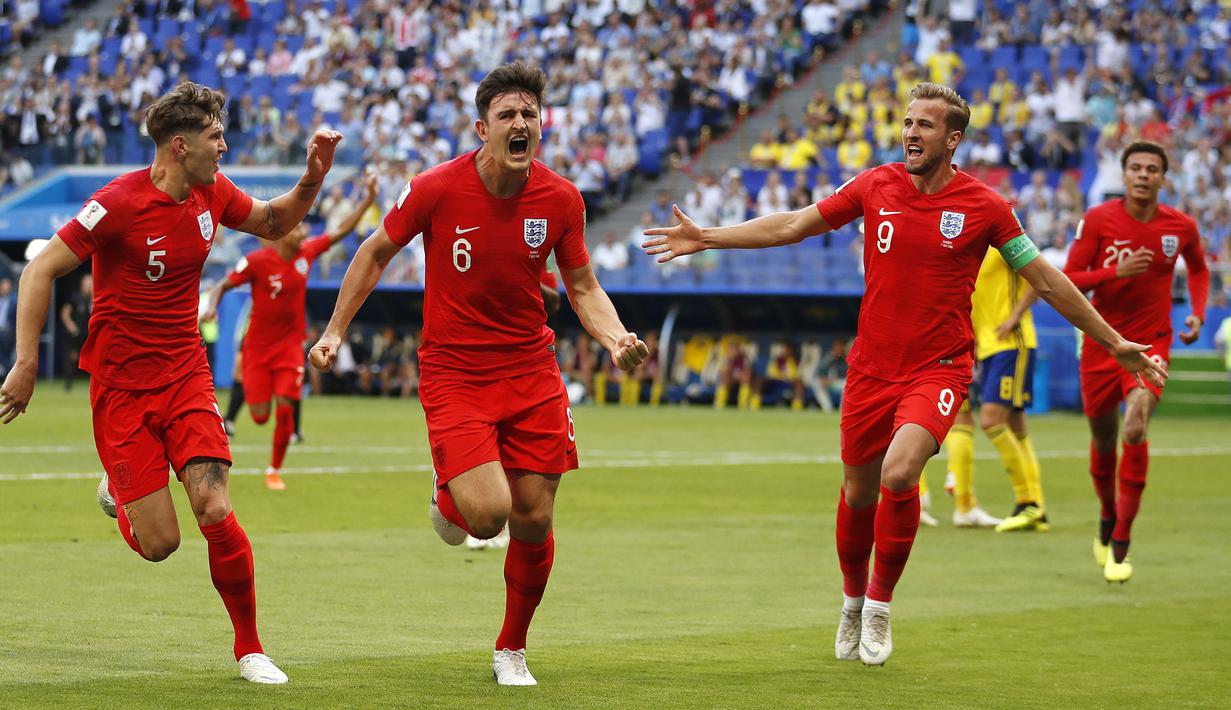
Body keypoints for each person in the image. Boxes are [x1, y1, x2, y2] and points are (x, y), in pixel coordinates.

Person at [643, 82, 1166, 666]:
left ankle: (879, 606)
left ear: (953, 138)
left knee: (900, 471)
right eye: (908, 122)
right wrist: (707, 236)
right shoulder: (876, 184)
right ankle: (849, 599)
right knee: (858, 492)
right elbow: (794, 224)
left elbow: (1046, 280)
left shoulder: (985, 207)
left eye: (925, 124)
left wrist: (1114, 341)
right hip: (871, 369)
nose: (911, 132)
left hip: (938, 370)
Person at [307, 62, 647, 686]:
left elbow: (582, 286)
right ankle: (449, 487)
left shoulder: (562, 198)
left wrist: (615, 335)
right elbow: (374, 251)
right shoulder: (436, 188)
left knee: (536, 516)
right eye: (507, 116)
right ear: (481, 128)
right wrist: (332, 331)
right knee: (487, 515)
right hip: (455, 371)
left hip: (531, 368)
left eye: (529, 115)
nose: (521, 124)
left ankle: (511, 648)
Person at [0, 82, 343, 684]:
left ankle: (250, 649)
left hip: (185, 373)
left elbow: (274, 220)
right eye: (215, 136)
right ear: (180, 146)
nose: (225, 145)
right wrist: (26, 364)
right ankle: (120, 490)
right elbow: (38, 273)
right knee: (161, 544)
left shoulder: (213, 192)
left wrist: (313, 178)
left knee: (213, 503)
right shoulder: (117, 204)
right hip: (121, 387)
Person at [1063, 141, 1209, 584]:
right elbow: (1070, 279)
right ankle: (1108, 515)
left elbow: (1199, 270)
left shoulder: (1180, 225)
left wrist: (1197, 313)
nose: (1143, 175)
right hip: (1102, 345)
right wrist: (1114, 273)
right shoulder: (1099, 221)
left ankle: (1122, 539)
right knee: (1105, 442)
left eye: (1152, 169)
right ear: (1123, 176)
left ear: (1164, 178)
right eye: (1135, 168)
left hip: (1152, 344)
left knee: (1136, 426)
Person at [203, 172, 377, 489]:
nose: (304, 231)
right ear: (282, 233)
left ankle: (274, 471)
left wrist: (367, 200)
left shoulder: (306, 254)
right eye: (298, 226)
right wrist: (213, 304)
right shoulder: (256, 261)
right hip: (257, 348)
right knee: (258, 416)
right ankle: (251, 404)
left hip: (288, 346)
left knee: (286, 406)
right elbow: (222, 284)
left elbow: (340, 232)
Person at [942, 246, 1046, 531]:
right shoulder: (968, 250)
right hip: (986, 348)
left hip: (1012, 343)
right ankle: (1036, 505)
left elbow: (1041, 277)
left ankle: (1028, 502)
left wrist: (1015, 317)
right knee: (1015, 425)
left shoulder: (1002, 244)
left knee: (991, 420)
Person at [59, 274, 93, 391]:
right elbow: (65, 313)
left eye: (91, 283)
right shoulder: (75, 297)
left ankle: (94, 384)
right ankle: (68, 384)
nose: (89, 286)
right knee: (72, 357)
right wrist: (71, 327)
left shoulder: (96, 298)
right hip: (76, 334)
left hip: (90, 334)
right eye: (87, 283)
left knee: (94, 358)